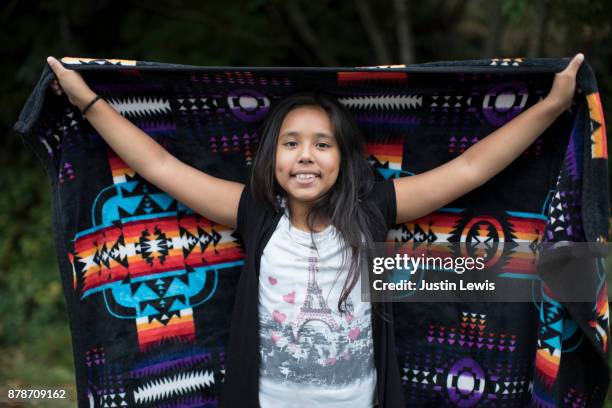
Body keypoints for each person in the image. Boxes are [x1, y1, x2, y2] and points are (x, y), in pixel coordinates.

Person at [46, 53, 584, 408]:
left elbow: (469, 170)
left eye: (322, 144)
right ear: (269, 158)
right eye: (291, 143)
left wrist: (552, 106)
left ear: (346, 159)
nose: (306, 156)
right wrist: (87, 102)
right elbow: (161, 168)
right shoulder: (254, 213)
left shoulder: (374, 209)